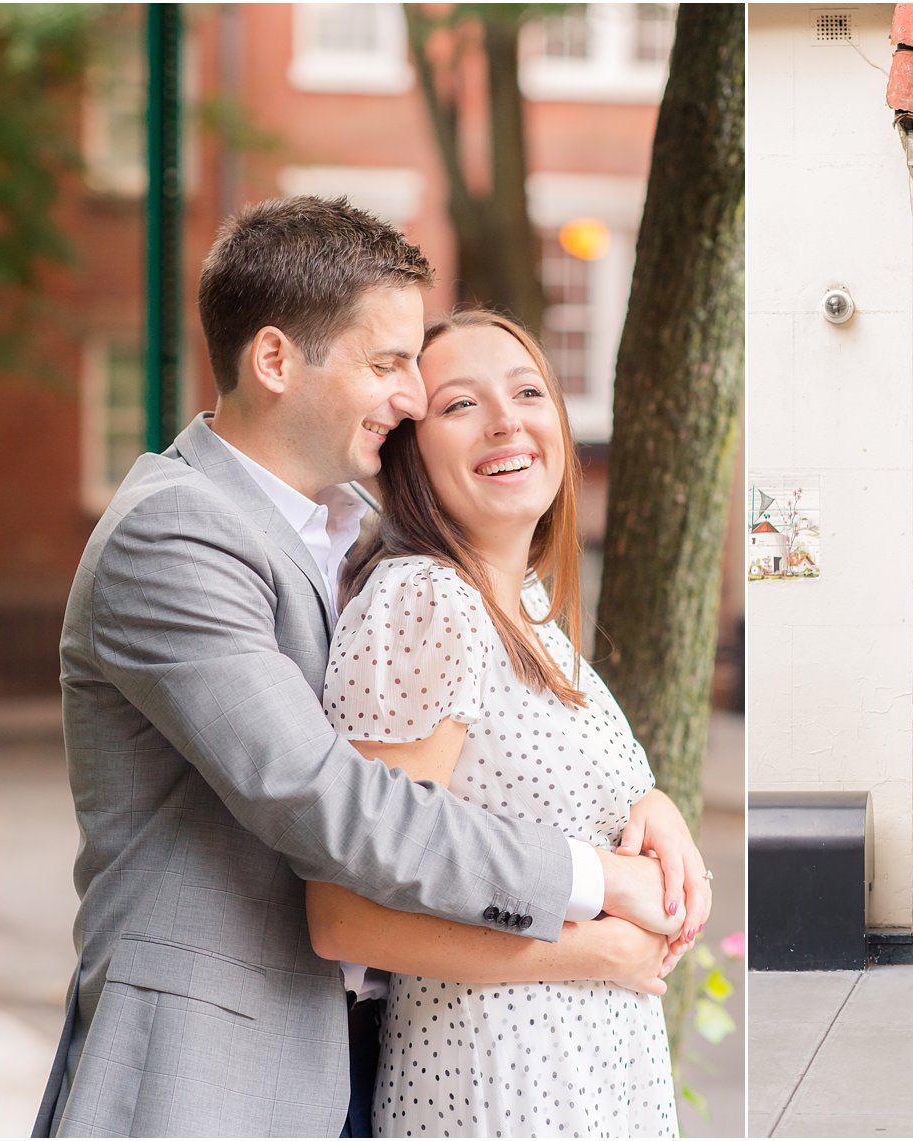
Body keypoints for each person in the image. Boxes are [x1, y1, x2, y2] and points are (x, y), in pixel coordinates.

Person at [34, 197, 703, 1139]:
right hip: (211, 1069)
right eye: (388, 364)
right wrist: (593, 880)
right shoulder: (172, 532)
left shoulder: (353, 542)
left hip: (372, 1051)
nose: (411, 396)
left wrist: (645, 803)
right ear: (275, 360)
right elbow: (324, 799)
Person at [307, 310, 683, 1137]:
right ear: (409, 450)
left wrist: (651, 803)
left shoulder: (529, 613)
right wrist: (590, 952)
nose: (507, 419)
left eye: (525, 391)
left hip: (590, 1068)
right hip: (497, 1080)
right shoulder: (427, 599)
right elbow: (347, 914)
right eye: (459, 405)